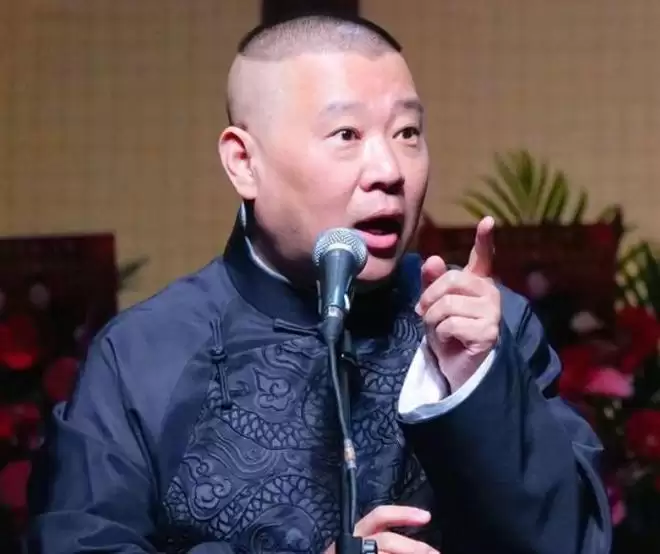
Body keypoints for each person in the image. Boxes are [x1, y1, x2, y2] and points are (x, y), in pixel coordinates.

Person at [26, 14, 611, 554]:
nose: (389, 171)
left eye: (407, 132)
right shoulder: (142, 355)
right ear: (244, 163)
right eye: (347, 134)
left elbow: (579, 541)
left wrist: (478, 385)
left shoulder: (485, 323)